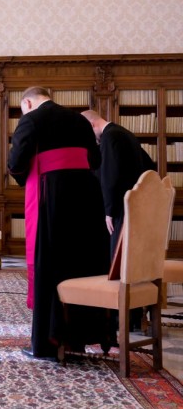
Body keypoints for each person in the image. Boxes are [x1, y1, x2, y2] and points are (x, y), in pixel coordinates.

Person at [8, 86, 111, 359]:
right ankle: (78, 337)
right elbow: (95, 160)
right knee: (80, 262)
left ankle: (48, 343)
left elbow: (16, 163)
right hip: (86, 197)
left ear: (27, 103)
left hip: (51, 197)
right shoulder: (80, 120)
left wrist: (26, 176)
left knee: (51, 264)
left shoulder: (31, 120)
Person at [81, 110, 157, 259]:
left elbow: (110, 175)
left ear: (91, 124)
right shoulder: (125, 133)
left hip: (120, 206)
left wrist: (109, 211)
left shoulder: (109, 137)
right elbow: (150, 166)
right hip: (136, 203)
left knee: (117, 256)